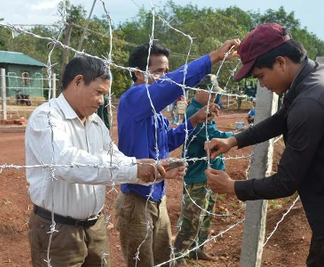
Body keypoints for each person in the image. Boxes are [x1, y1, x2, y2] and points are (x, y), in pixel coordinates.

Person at [205, 23, 324, 266]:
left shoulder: (310, 104)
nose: (262, 85)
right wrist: (234, 140)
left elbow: (285, 183)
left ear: (281, 62)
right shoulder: (323, 74)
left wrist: (232, 186)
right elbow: (283, 117)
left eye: (260, 76)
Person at [25, 55, 184, 267]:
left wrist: (154, 170)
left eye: (104, 94)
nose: (101, 100)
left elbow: (114, 158)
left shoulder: (96, 123)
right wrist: (134, 169)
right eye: (98, 92)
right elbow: (65, 163)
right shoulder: (46, 117)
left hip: (95, 227)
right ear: (78, 81)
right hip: (58, 231)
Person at [115, 39, 240, 267]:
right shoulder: (133, 99)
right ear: (138, 74)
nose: (165, 76)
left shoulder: (157, 115)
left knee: (164, 260)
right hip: (136, 200)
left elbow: (169, 140)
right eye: (158, 71)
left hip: (157, 197)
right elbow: (169, 87)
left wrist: (193, 120)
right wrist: (212, 58)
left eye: (167, 70)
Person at [173, 74, 234, 266]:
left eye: (217, 93)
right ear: (200, 90)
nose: (216, 97)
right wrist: (239, 136)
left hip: (209, 172)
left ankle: (197, 249)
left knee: (206, 215)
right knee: (192, 218)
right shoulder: (195, 112)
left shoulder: (205, 110)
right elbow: (211, 139)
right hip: (197, 174)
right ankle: (179, 255)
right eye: (213, 92)